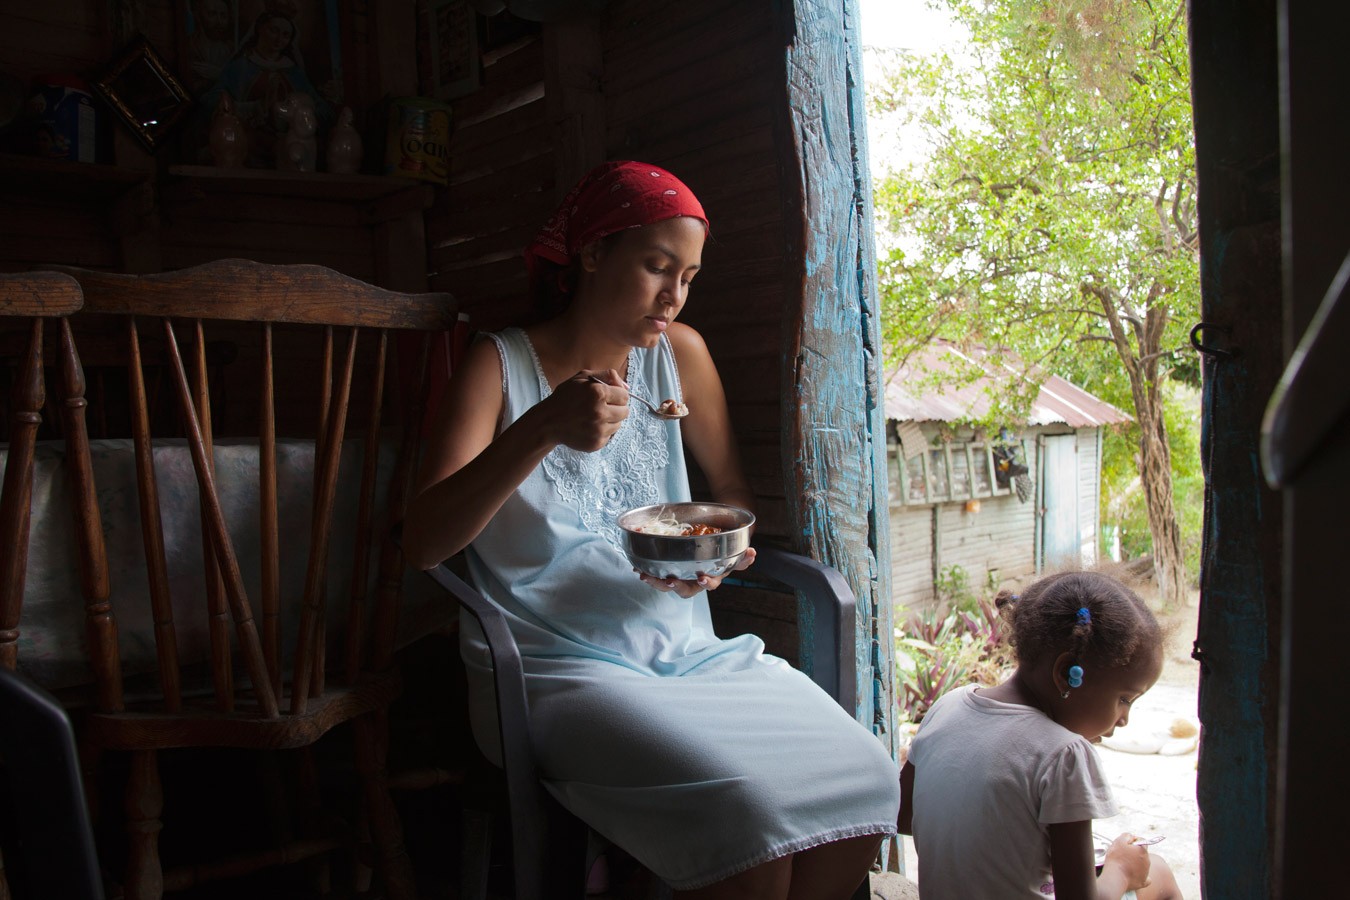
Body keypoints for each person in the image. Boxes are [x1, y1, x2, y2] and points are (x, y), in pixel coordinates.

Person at [403, 160, 901, 899]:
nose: (674, 296)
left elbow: (731, 496)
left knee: (864, 783)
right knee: (751, 819)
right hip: (554, 668)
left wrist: (720, 560)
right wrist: (539, 429)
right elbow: (424, 542)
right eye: (656, 267)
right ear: (593, 254)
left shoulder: (680, 358)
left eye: (689, 276)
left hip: (690, 652)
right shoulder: (499, 366)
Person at [897, 571, 1184, 900]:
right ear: (1067, 675)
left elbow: (904, 816)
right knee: (1157, 874)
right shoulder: (1064, 755)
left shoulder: (947, 707)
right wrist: (1121, 868)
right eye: (1124, 699)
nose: (1124, 720)